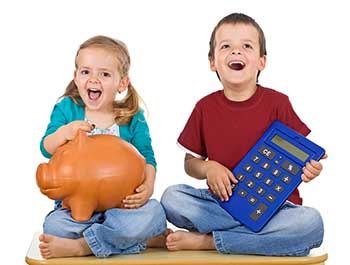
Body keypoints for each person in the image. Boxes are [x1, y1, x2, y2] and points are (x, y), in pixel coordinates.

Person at [161, 13, 327, 256]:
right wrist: (209, 168)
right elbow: (190, 164)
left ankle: (210, 241)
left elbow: (303, 155)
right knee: (171, 198)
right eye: (226, 46)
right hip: (223, 203)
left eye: (246, 46)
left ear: (262, 61)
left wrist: (311, 169)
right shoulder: (204, 107)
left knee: (310, 223)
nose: (236, 52)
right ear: (212, 62)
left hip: (276, 208)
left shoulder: (278, 103)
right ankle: (260, 239)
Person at [38, 35, 167, 258]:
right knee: (55, 226)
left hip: (122, 207)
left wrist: (148, 186)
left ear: (122, 83)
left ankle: (83, 246)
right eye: (86, 72)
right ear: (76, 77)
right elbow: (46, 147)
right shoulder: (67, 109)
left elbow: (147, 156)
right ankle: (130, 239)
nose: (94, 79)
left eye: (105, 74)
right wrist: (65, 132)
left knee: (155, 213)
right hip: (76, 210)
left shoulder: (133, 117)